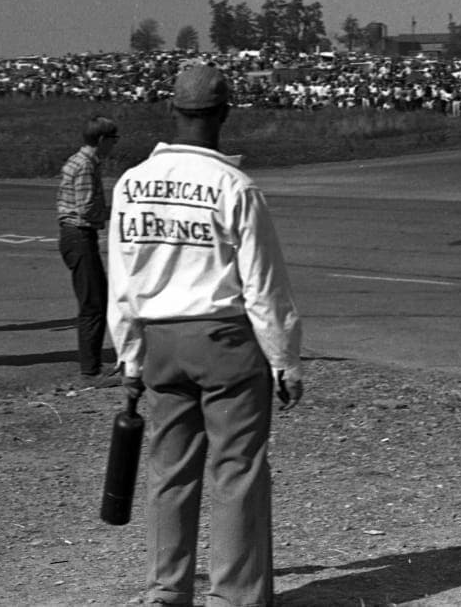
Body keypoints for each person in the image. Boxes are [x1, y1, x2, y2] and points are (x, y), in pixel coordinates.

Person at [107, 64, 303, 607]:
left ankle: (166, 588)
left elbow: (122, 279)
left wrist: (129, 358)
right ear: (224, 113)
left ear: (172, 110)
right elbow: (263, 285)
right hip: (224, 340)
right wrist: (285, 359)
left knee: (169, 469)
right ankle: (233, 594)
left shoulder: (132, 183)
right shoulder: (235, 186)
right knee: (236, 469)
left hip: (159, 341)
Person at [56, 114, 120, 386]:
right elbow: (85, 207)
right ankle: (90, 371)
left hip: (75, 235)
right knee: (93, 302)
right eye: (113, 140)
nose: (115, 146)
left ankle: (91, 366)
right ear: (103, 140)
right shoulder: (85, 165)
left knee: (94, 299)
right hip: (79, 234)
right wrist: (115, 211)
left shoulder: (79, 160)